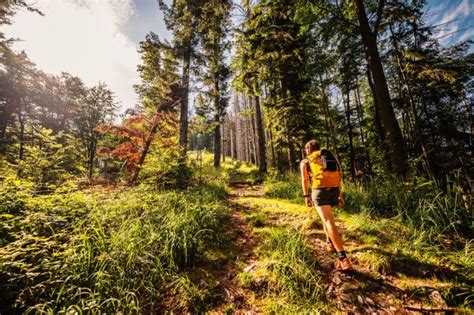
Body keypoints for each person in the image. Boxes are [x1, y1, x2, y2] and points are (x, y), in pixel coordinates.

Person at [300, 140, 352, 271]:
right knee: (326, 218)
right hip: (334, 190)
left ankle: (343, 258)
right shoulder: (327, 157)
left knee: (329, 221)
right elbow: (339, 175)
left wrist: (306, 196)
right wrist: (340, 195)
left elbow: (305, 179)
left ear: (308, 150)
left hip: (320, 192)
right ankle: (329, 243)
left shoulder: (306, 161)